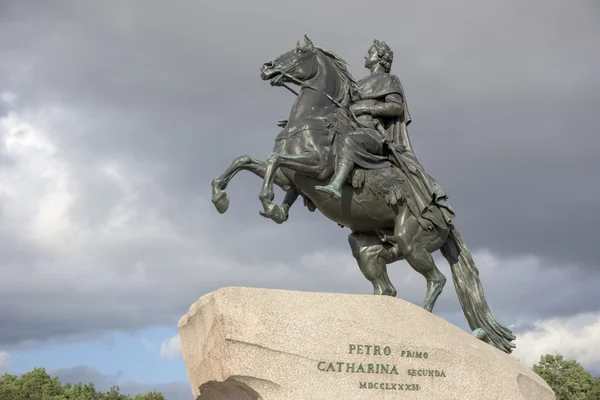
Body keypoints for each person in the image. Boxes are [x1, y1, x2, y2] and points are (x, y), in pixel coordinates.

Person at [315, 39, 454, 229]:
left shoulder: (389, 80)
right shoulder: (359, 83)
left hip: (372, 133)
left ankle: (336, 185)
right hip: (351, 126)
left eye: (370, 52)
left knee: (348, 140)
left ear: (381, 58)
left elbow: (396, 107)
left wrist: (367, 108)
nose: (366, 55)